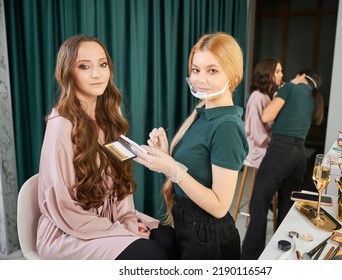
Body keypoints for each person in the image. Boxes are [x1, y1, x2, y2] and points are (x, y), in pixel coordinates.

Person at [36, 34, 179, 260]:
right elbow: (64, 207)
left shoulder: (110, 118)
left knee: (172, 241)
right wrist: (121, 232)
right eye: (84, 66)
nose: (97, 74)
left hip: (111, 219)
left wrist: (128, 223)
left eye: (102, 64)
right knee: (150, 254)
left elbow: (121, 183)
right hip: (69, 231)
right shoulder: (60, 126)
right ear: (68, 73)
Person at [131, 32, 249, 259]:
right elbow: (194, 171)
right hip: (189, 230)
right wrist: (166, 156)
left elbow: (219, 207)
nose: (200, 79)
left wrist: (171, 169)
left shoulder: (227, 127)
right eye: (196, 70)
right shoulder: (203, 113)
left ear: (232, 74)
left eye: (212, 70)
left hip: (210, 240)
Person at [241, 69, 324, 259]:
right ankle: (284, 254)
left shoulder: (290, 88)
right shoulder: (313, 97)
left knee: (259, 203)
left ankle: (250, 257)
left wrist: (279, 95)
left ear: (301, 76)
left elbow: (265, 116)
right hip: (299, 155)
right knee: (287, 207)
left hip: (280, 151)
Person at [244, 58, 283, 168]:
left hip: (265, 143)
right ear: (267, 73)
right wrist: (273, 142)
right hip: (257, 148)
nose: (281, 75)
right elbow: (256, 133)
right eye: (277, 71)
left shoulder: (267, 96)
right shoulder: (257, 96)